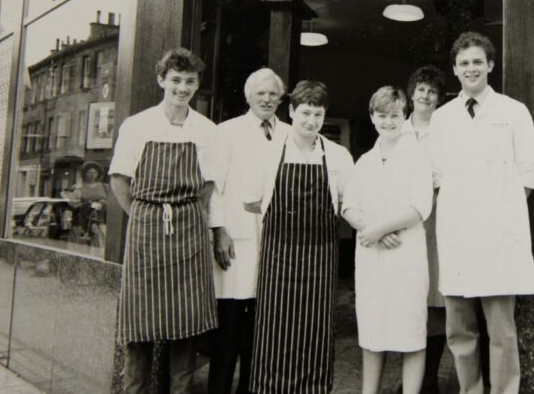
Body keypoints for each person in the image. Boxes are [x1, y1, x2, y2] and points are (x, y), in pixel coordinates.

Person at [429, 32, 534, 394]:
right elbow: (436, 174)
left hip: (498, 239)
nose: (471, 68)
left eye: (478, 61)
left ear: (490, 65)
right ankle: (471, 390)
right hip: (458, 238)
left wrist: (503, 209)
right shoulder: (443, 118)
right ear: (455, 70)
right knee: (459, 329)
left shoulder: (513, 111)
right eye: (464, 63)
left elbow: (530, 169)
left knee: (501, 329)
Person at [109, 48, 221, 394]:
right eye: (175, 80)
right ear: (162, 80)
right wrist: (145, 217)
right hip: (146, 231)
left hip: (189, 231)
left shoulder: (206, 130)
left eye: (190, 81)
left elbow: (208, 184)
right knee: (139, 325)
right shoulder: (137, 125)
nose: (182, 88)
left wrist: (189, 217)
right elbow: (119, 180)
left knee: (185, 325)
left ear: (197, 84)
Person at [244, 80, 354, 394]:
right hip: (278, 255)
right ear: (291, 111)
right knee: (274, 328)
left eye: (318, 114)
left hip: (321, 258)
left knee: (315, 330)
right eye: (305, 112)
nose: (311, 121)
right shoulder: (268, 153)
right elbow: (251, 200)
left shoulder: (337, 156)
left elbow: (349, 201)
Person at [342, 86, 433, 394]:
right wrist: (373, 230)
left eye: (395, 115)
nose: (389, 121)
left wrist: (380, 229)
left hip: (406, 253)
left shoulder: (418, 155)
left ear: (404, 116)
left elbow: (421, 206)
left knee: (410, 332)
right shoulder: (365, 160)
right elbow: (349, 206)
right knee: (372, 331)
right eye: (382, 115)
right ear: (372, 117)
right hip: (372, 256)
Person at [207, 68, 289, 394]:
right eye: (261, 93)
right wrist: (218, 231)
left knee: (260, 327)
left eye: (273, 94)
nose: (267, 99)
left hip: (273, 243)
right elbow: (213, 186)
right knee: (229, 326)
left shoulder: (289, 133)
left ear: (281, 98)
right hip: (236, 242)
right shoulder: (227, 132)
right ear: (248, 96)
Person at [401, 65, 449, 394]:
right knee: (406, 299)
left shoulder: (446, 131)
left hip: (437, 219)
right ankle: (408, 380)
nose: (426, 95)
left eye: (432, 91)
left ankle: (428, 379)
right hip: (402, 221)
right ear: (411, 92)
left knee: (435, 299)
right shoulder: (396, 129)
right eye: (421, 89)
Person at [61, 161, 111, 247]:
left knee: (98, 245)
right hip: (81, 222)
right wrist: (88, 204)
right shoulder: (77, 187)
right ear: (84, 173)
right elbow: (72, 204)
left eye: (95, 172)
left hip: (99, 221)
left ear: (98, 174)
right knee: (79, 246)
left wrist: (103, 203)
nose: (92, 175)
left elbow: (110, 202)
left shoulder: (105, 187)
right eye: (89, 172)